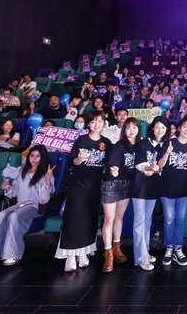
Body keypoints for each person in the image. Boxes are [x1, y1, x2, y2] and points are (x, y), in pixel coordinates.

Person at [55, 110, 110, 272]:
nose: (96, 124)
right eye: (93, 121)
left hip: (95, 187)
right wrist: (79, 159)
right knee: (73, 219)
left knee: (89, 220)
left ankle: (83, 253)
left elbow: (111, 162)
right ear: (88, 124)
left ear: (104, 124)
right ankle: (70, 256)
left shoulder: (106, 142)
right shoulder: (81, 140)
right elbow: (74, 161)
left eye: (99, 121)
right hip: (78, 186)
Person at [0, 145, 55, 266]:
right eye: (32, 155)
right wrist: (7, 187)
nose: (34, 158)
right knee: (0, 216)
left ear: (42, 158)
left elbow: (48, 194)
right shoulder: (21, 172)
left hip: (34, 206)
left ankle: (13, 254)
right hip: (19, 205)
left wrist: (47, 179)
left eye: (38, 156)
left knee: (14, 216)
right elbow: (14, 192)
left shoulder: (46, 173)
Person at [132, 116, 171, 271]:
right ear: (152, 128)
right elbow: (140, 165)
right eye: (157, 127)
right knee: (139, 222)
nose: (160, 130)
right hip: (140, 187)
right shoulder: (144, 143)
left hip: (153, 187)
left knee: (147, 221)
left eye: (163, 127)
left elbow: (160, 167)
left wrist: (157, 167)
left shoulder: (164, 145)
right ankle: (140, 258)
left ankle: (145, 252)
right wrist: (150, 169)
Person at [100, 117, 139, 272]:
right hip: (112, 184)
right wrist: (114, 170)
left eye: (134, 127)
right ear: (124, 130)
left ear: (138, 129)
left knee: (119, 217)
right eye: (128, 127)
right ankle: (108, 253)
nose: (131, 130)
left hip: (127, 185)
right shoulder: (119, 145)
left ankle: (117, 247)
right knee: (109, 219)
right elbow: (113, 165)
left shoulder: (139, 146)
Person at [159, 115, 187, 267]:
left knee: (180, 219)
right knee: (169, 219)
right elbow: (160, 165)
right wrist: (167, 152)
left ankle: (178, 249)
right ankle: (169, 248)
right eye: (185, 127)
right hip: (166, 187)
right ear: (179, 128)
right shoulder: (169, 143)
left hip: (182, 188)